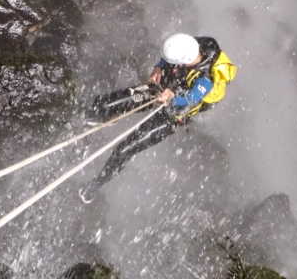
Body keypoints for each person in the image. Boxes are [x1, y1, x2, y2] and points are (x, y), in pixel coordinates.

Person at [78, 33, 237, 203]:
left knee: (125, 149)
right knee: (105, 104)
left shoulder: (206, 79)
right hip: (161, 88)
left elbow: (191, 98)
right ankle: (99, 115)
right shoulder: (197, 45)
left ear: (182, 62)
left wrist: (172, 97)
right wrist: (159, 67)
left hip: (174, 113)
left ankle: (96, 185)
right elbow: (166, 58)